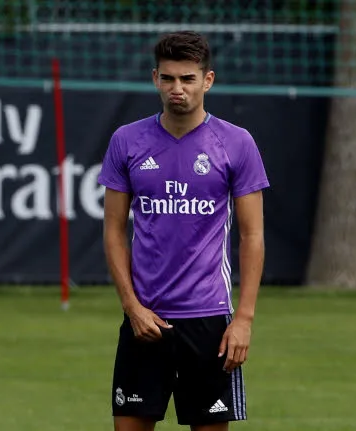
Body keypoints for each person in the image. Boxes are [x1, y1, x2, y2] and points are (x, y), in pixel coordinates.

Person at [97, 31, 269, 431]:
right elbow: (113, 231)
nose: (178, 89)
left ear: (207, 80)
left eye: (187, 79)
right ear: (155, 78)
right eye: (169, 78)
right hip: (145, 320)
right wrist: (132, 307)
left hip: (209, 321)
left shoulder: (236, 143)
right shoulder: (127, 141)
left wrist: (243, 318)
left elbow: (253, 236)